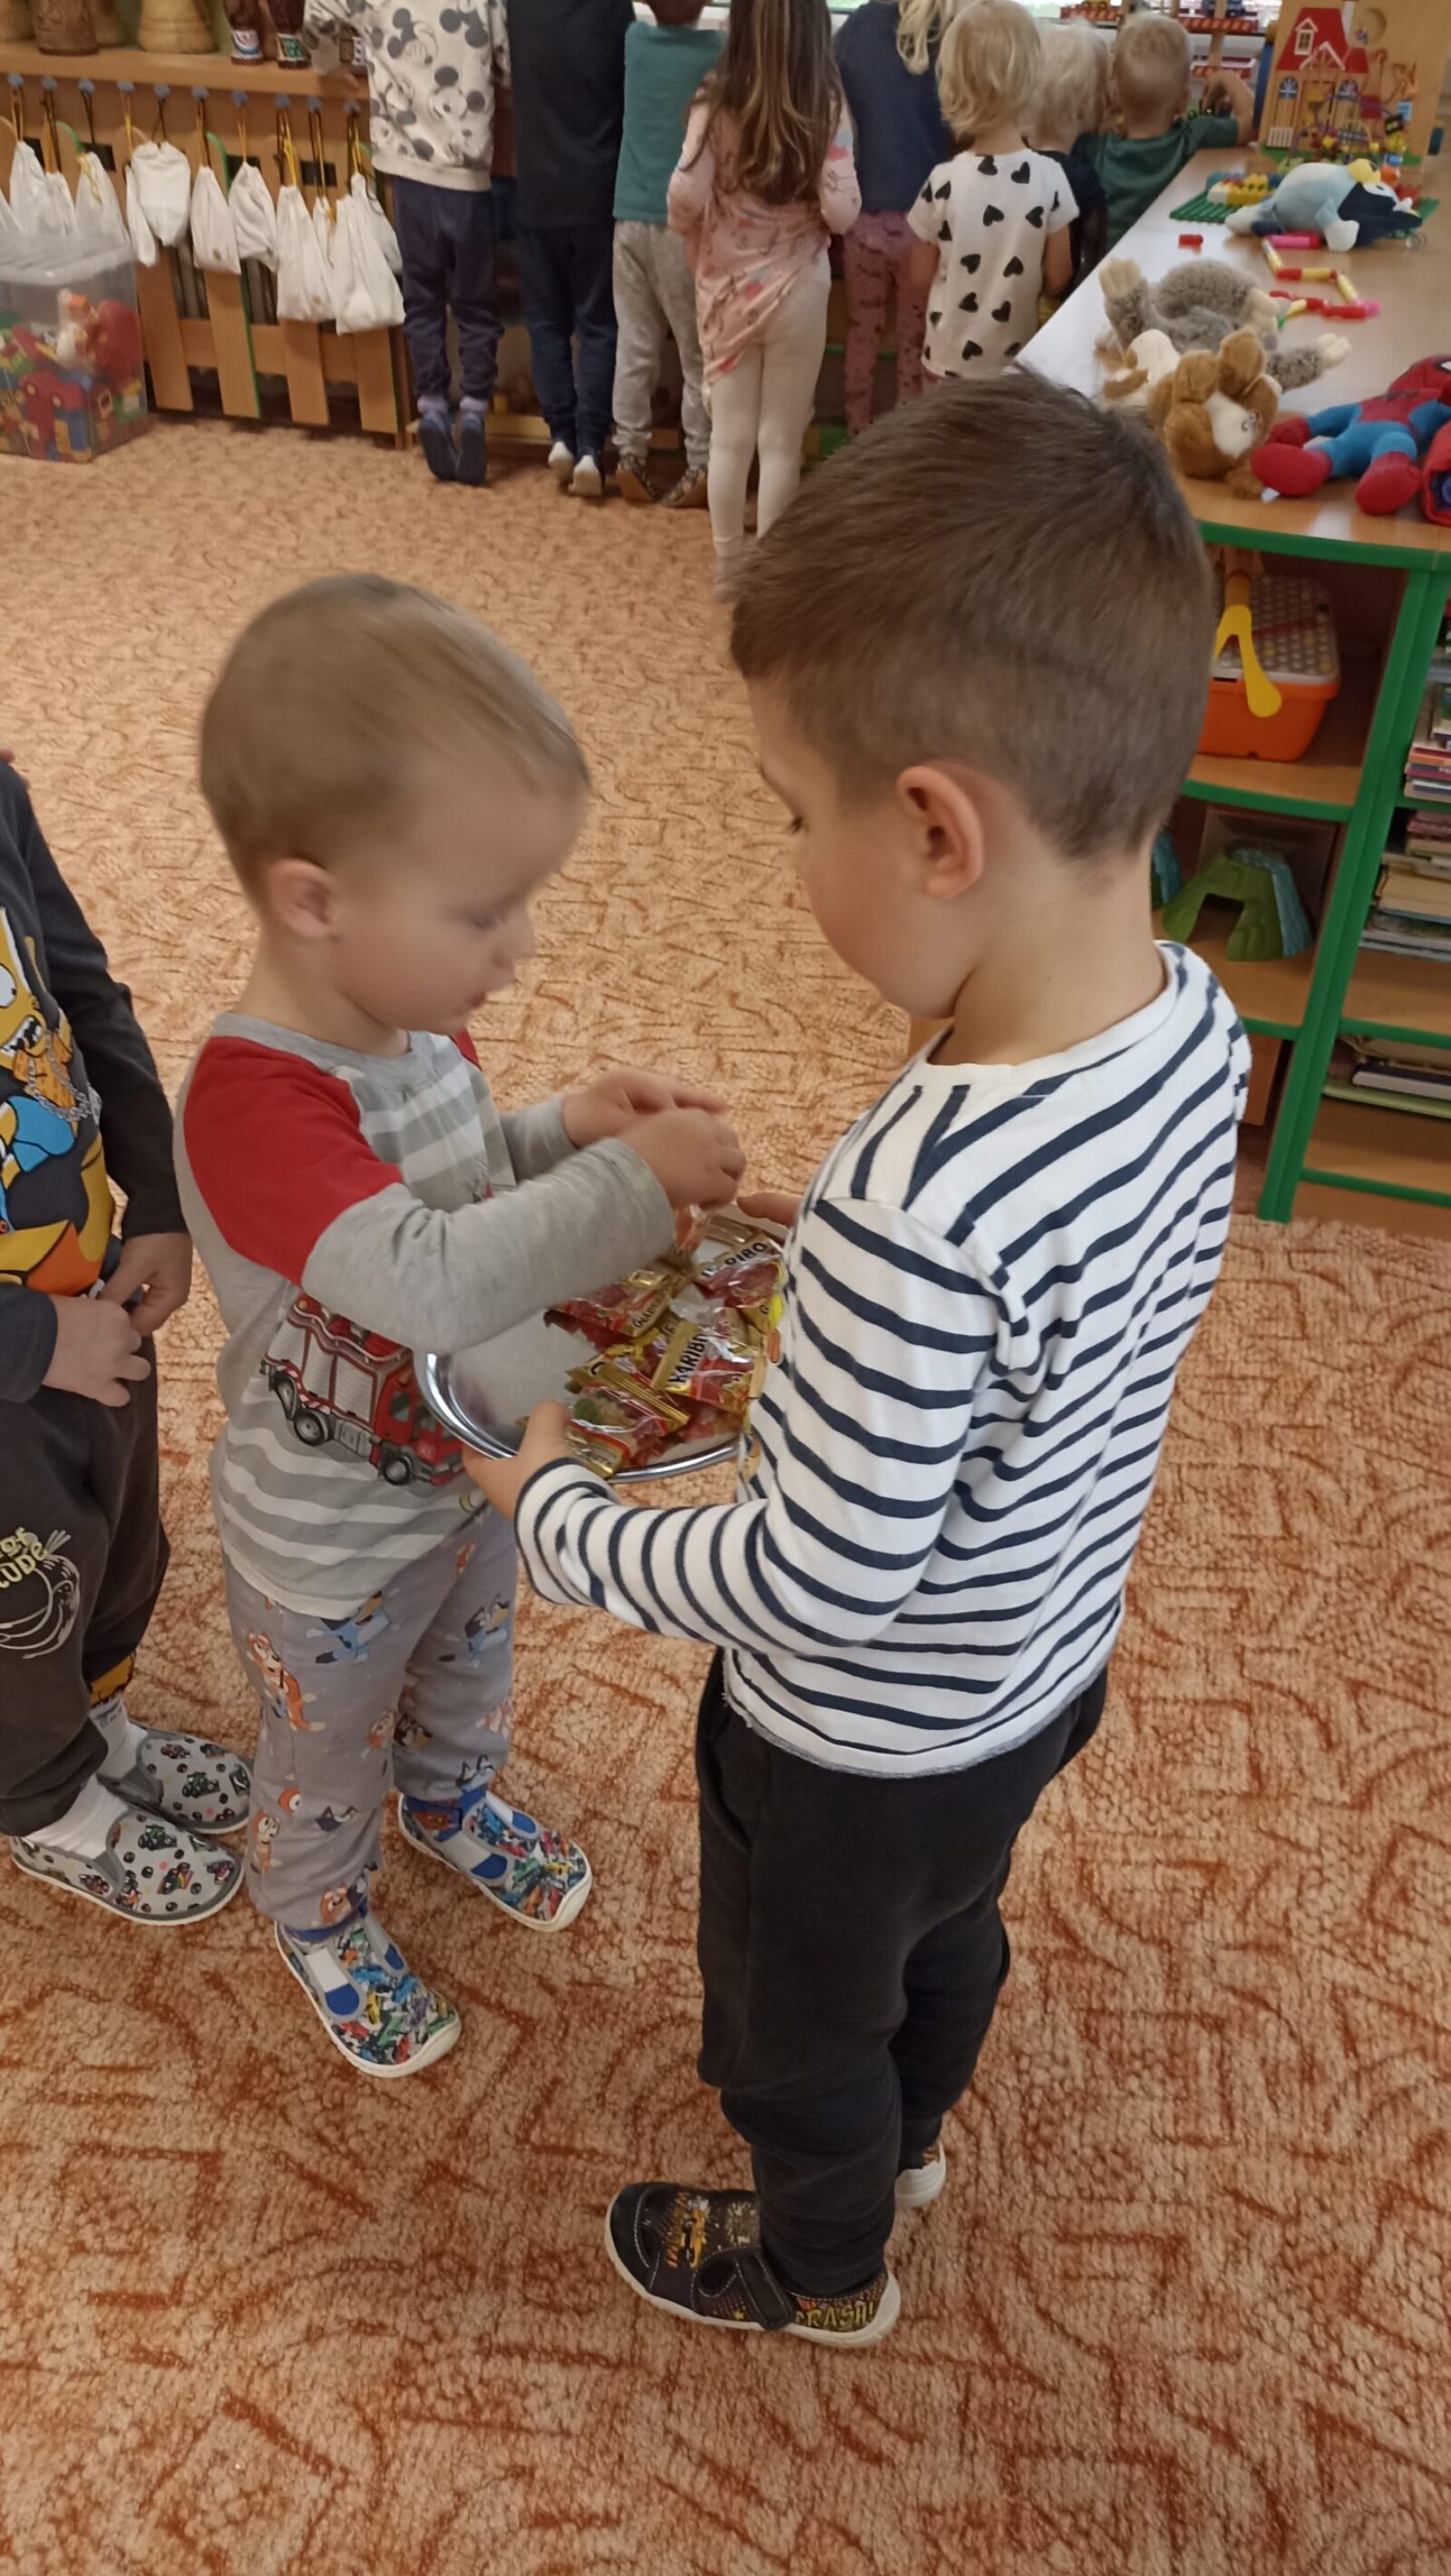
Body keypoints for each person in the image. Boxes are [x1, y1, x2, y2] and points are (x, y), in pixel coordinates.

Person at [466, 371, 1251, 2347]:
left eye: (790, 814)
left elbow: (813, 1579)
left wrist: (555, 1508)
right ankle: (911, 2142)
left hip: (851, 1742)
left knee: (789, 2027)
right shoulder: (1190, 1021)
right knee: (949, 1925)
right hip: (1037, 1667)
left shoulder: (916, 1201)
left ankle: (821, 2262)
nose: (787, 858)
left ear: (932, 828)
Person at [176, 577, 746, 2079]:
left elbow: (461, 1175)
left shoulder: (417, 1021)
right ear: (317, 902)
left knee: (472, 1666)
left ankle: (449, 1796)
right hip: (326, 1542)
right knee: (325, 1746)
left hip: (464, 1468)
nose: (522, 946)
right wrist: (630, 1187)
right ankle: (312, 1905)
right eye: (485, 912)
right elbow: (425, 1275)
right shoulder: (250, 1102)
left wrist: (564, 1128)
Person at [0, 764, 249, 1927]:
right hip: (20, 1348)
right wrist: (29, 1338)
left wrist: (155, 1190)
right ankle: (44, 1798)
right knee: (20, 1602)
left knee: (114, 1534)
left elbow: (82, 990)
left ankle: (98, 1716)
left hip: (90, 1290)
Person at [668, 0, 860, 600]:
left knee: (729, 438)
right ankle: (769, 578)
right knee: (781, 442)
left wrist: (686, 228)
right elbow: (842, 211)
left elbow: (686, 193)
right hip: (801, 288)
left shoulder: (716, 95)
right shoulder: (826, 102)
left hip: (727, 291)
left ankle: (729, 568)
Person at [305, 0, 511, 487]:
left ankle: (432, 405)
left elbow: (316, 14)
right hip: (467, 176)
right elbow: (507, 60)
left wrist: (328, 63)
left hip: (406, 172)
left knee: (422, 298)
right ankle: (475, 409)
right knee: (476, 303)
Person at [506, 0, 635, 501]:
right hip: (597, 190)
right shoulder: (613, 9)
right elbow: (627, 85)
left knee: (546, 322)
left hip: (537, 190)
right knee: (599, 323)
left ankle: (559, 433)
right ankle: (589, 447)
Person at [907, 0, 1075, 380]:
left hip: (946, 359)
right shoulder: (1050, 178)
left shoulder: (942, 180)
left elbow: (918, 276)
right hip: (1013, 365)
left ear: (954, 84)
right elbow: (1059, 275)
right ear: (1034, 82)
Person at [611, 0, 724, 509]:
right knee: (696, 353)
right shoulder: (717, 52)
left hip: (628, 218)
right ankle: (700, 461)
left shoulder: (635, 42)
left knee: (635, 346)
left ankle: (629, 454)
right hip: (683, 227)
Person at [833, 0, 955, 436]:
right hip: (922, 225)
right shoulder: (946, 34)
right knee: (914, 339)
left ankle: (856, 432)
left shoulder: (857, 26)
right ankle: (905, 438)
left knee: (862, 330)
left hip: (861, 217)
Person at [1076, 11, 1252, 250]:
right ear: (1184, 101)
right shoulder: (1191, 137)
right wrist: (1228, 78)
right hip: (1167, 257)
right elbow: (1252, 123)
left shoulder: (1095, 148)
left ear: (1115, 93)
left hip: (1109, 267)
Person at [1028, 17, 1111, 285]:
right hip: (1061, 299)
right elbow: (1097, 253)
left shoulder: (1009, 164)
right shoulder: (1082, 179)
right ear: (1086, 106)